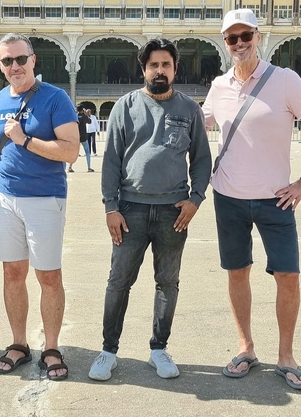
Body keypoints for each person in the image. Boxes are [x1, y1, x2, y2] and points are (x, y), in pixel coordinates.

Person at [202, 9, 301, 390]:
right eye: (231, 38)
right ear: (225, 43)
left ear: (258, 36)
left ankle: (286, 356)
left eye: (245, 36)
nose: (239, 44)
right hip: (228, 198)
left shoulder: (285, 80)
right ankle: (245, 347)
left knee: (288, 276)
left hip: (277, 200)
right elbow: (195, 127)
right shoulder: (218, 86)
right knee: (237, 272)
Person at [89, 38, 211, 381]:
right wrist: (111, 207)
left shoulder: (188, 109)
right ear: (143, 69)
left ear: (174, 69)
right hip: (130, 210)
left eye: (166, 65)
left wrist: (196, 199)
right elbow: (111, 161)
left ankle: (159, 348)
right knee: (118, 282)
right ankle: (108, 351)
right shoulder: (125, 107)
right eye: (153, 65)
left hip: (174, 212)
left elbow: (202, 159)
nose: (160, 70)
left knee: (167, 282)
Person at [0, 33, 79, 379]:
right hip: (6, 200)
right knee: (12, 274)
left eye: (20, 59)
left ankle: (51, 347)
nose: (15, 66)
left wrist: (26, 140)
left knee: (49, 275)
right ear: (0, 66)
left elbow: (70, 151)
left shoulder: (55, 99)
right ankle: (19, 343)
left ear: (33, 60)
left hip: (45, 199)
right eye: (7, 61)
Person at [68, 104, 94, 173]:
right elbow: (90, 122)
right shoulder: (84, 117)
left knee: (74, 152)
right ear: (82, 109)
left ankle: (70, 166)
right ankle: (89, 167)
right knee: (87, 152)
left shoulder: (75, 116)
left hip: (76, 136)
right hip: (84, 137)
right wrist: (86, 114)